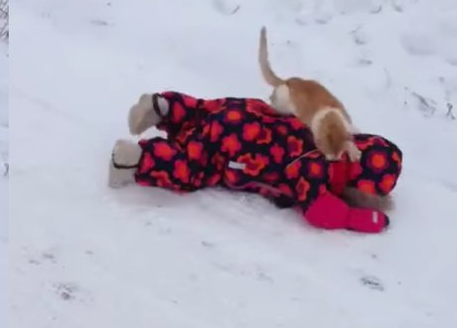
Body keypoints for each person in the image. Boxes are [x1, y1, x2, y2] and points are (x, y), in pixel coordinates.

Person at [109, 91, 400, 234]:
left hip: (246, 113)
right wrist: (354, 218)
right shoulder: (318, 174)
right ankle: (135, 160)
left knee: (202, 112)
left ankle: (166, 107)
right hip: (240, 147)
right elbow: (320, 213)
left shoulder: (320, 129)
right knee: (193, 168)